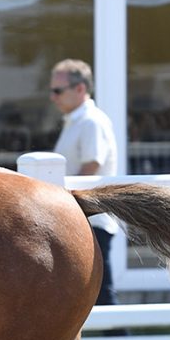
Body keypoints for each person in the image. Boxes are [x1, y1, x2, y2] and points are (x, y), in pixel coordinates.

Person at [50, 59, 121, 307]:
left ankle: (119, 331)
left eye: (58, 90)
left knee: (100, 296)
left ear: (80, 89)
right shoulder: (78, 120)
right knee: (89, 295)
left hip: (91, 219)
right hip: (81, 218)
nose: (53, 97)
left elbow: (91, 166)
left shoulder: (91, 121)